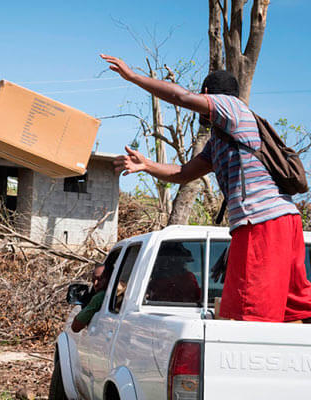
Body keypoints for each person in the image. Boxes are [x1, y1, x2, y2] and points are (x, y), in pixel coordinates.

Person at [101, 54, 311, 323]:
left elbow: (182, 98)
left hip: (261, 223)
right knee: (295, 307)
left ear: (208, 95)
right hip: (283, 221)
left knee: (250, 313)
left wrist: (133, 77)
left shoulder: (232, 108)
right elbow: (183, 173)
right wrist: (147, 165)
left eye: (202, 98)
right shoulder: (221, 139)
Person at [71, 263, 110, 332]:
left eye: (99, 279)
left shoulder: (100, 296)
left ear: (109, 278)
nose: (95, 283)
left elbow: (75, 327)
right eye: (93, 280)